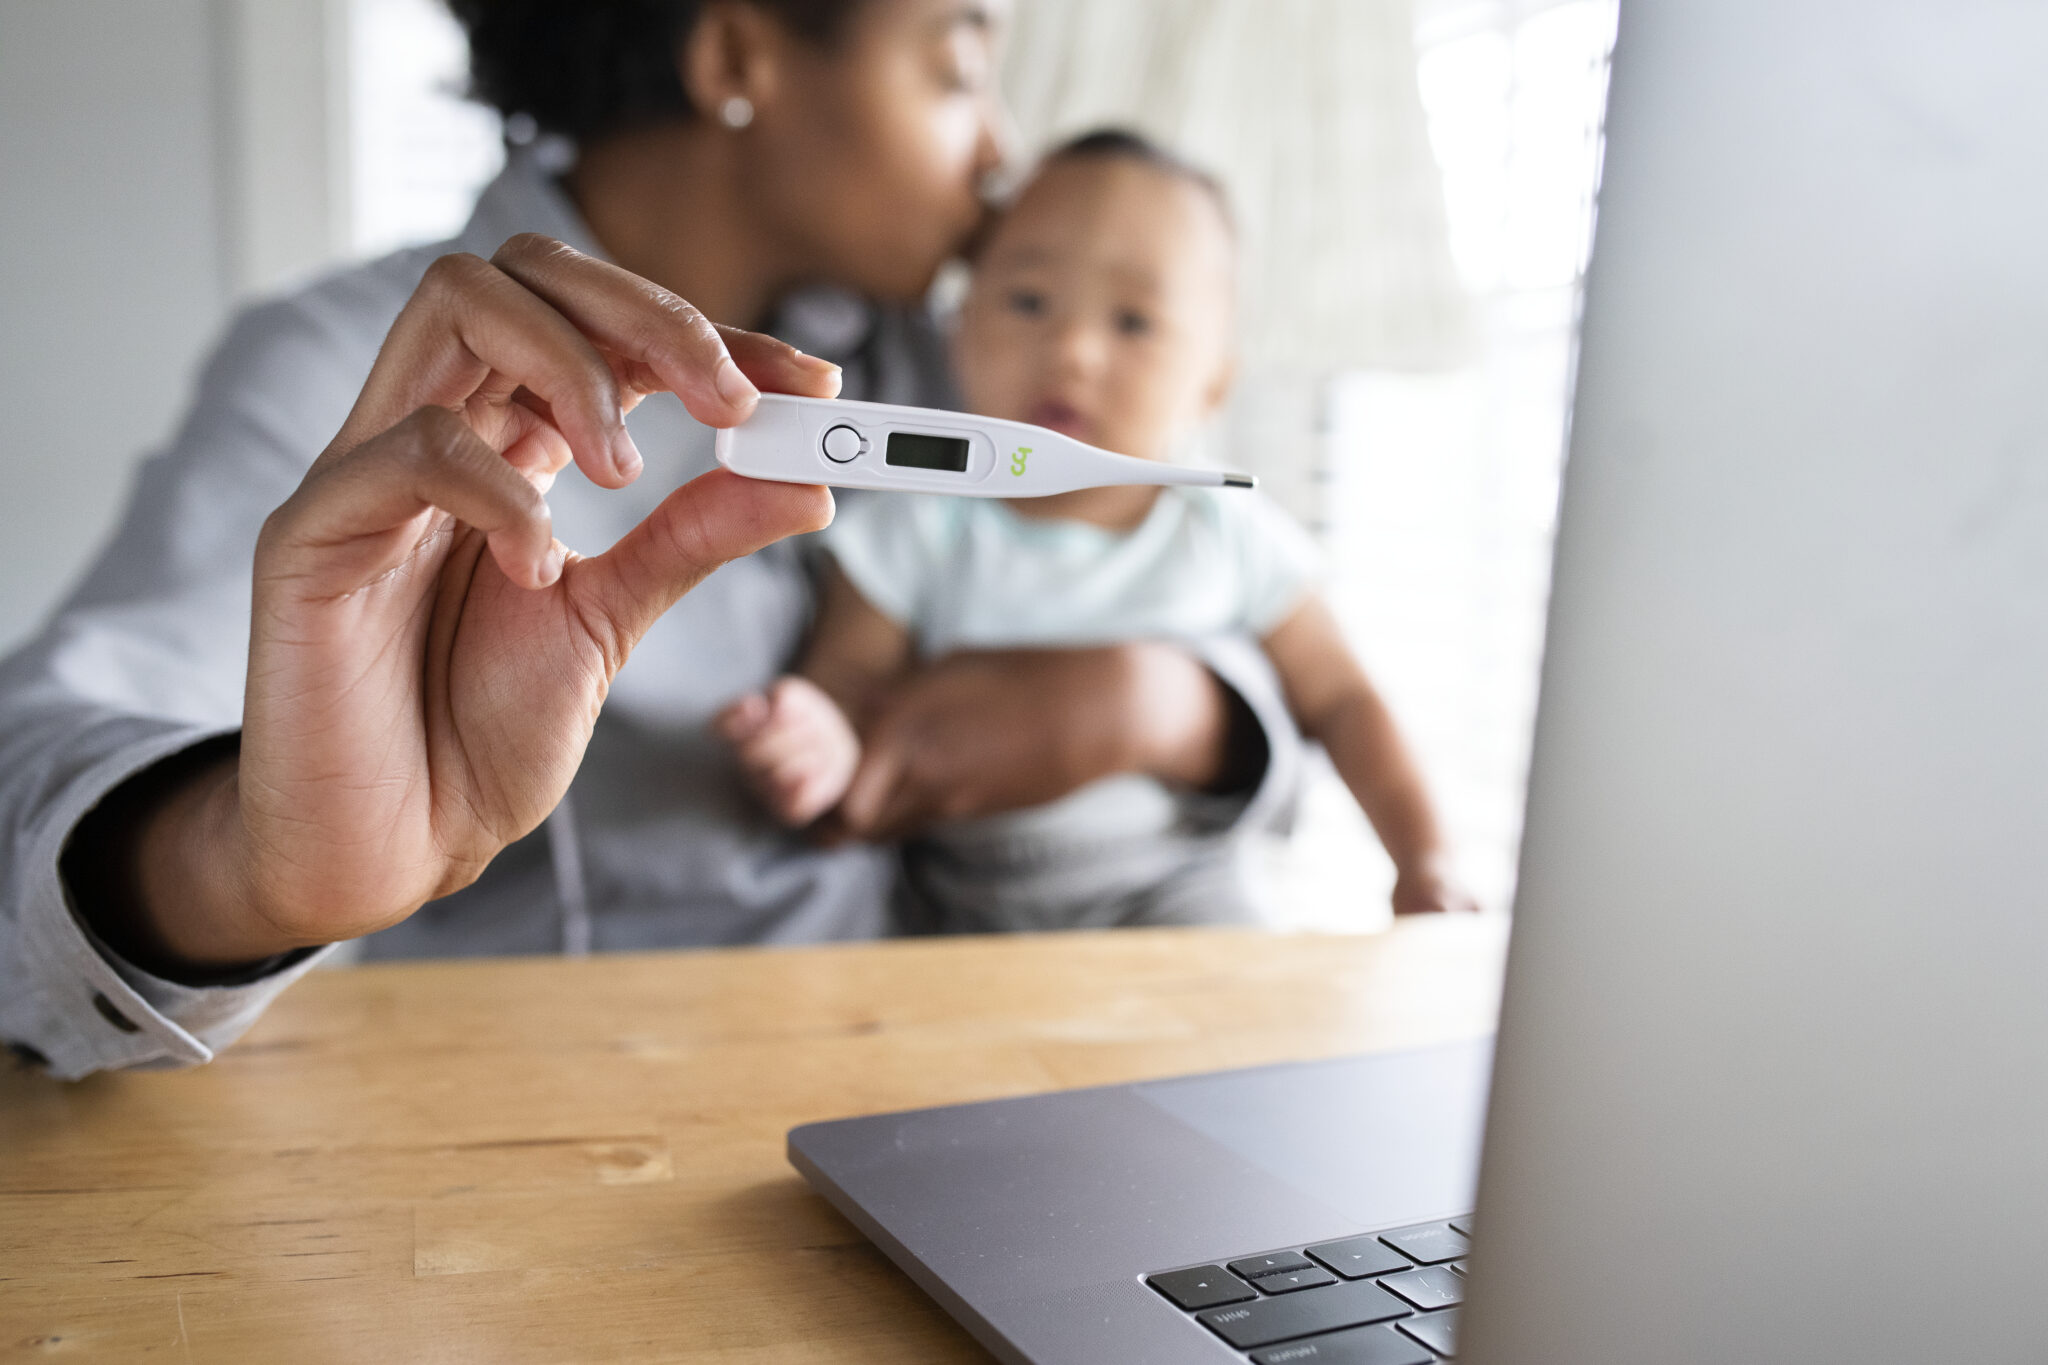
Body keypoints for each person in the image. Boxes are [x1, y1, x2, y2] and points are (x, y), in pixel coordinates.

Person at [0, 0, 1303, 1082]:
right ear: (739, 59)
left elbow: (1194, 588)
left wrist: (1173, 704)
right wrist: (254, 865)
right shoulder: (351, 382)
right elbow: (37, 775)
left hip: (922, 1069)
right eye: (957, 69)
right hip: (548, 1119)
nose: (1000, 162)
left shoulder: (938, 357)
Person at [720, 131, 1473, 931]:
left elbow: (1346, 698)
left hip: (1182, 886)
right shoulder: (914, 524)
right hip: (964, 907)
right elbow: (845, 684)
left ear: (1214, 379)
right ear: (958, 328)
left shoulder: (1225, 531)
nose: (1072, 351)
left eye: (1135, 322)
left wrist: (1424, 861)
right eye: (1029, 301)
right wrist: (815, 739)